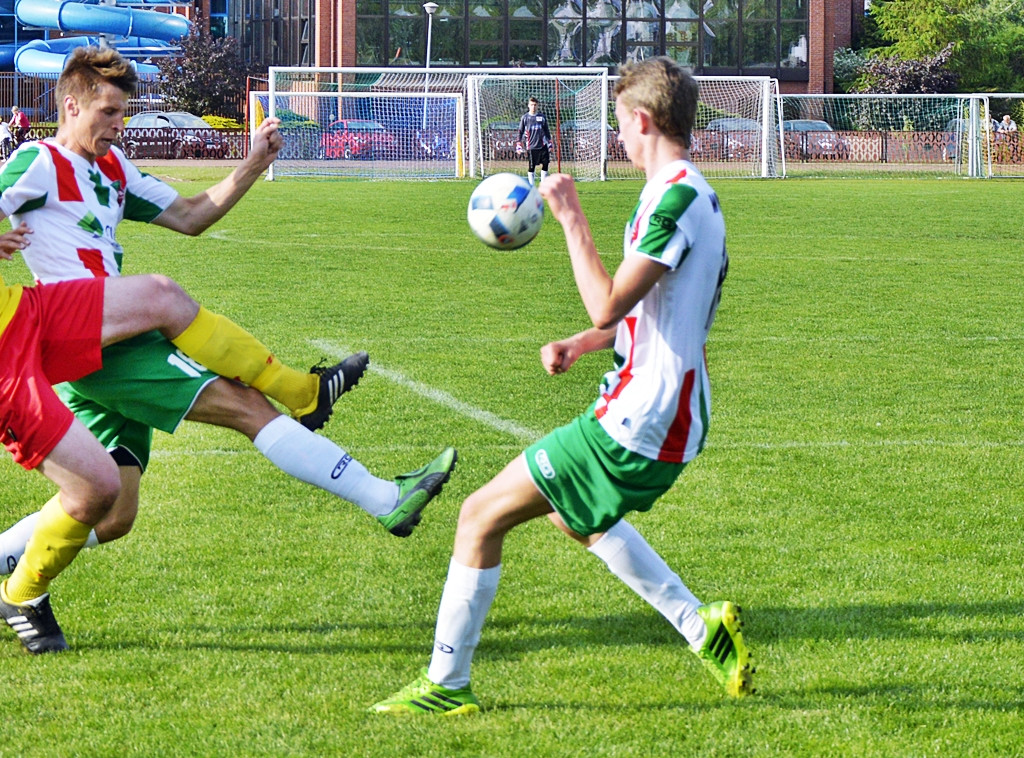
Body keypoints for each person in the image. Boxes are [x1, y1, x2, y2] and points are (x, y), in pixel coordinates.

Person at [371, 57, 752, 716]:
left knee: (478, 516)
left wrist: (570, 215)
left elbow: (608, 304)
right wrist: (584, 343)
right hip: (667, 409)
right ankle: (700, 627)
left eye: (619, 124)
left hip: (644, 415)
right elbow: (656, 314)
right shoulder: (692, 194)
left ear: (641, 120)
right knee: (567, 513)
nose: (618, 138)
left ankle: (446, 685)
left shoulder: (675, 199)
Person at [0, 47, 456, 591]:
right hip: (89, 338)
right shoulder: (38, 161)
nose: (120, 125)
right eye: (109, 112)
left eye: (123, 112)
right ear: (72, 106)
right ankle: (380, 491)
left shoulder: (114, 167)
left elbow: (191, 215)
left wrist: (253, 165)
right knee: (245, 404)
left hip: (114, 333)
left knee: (115, 514)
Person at [0, 266, 380, 653]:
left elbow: (188, 228)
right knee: (101, 485)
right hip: (50, 355)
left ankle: (304, 394)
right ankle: (383, 497)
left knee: (115, 514)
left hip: (35, 312)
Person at [516, 96, 552, 186]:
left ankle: (543, 184)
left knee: (545, 163)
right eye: (532, 105)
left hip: (542, 145)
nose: (533, 107)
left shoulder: (542, 117)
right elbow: (520, 131)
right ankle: (531, 186)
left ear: (537, 106)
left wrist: (550, 142)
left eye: (535, 105)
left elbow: (546, 130)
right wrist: (518, 144)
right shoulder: (525, 118)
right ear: (528, 105)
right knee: (532, 166)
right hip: (531, 146)